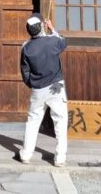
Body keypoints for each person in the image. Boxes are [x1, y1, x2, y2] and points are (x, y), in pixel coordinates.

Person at [18, 14, 68, 167]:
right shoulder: (52, 41)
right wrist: (52, 28)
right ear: (41, 27)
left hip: (38, 88)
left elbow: (25, 71)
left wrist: (32, 83)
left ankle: (26, 154)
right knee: (60, 121)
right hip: (56, 86)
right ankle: (60, 158)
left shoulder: (26, 47)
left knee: (33, 121)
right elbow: (64, 43)